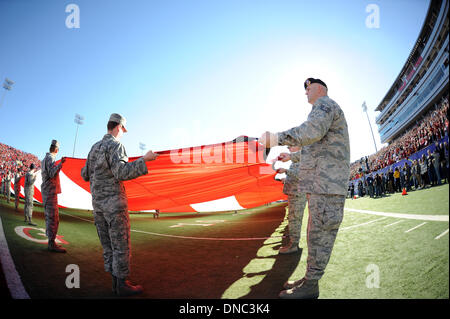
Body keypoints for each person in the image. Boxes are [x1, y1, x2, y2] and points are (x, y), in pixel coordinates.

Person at [259, 77, 350, 299]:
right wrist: (291, 155)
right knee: (315, 234)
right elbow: (312, 147)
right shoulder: (324, 108)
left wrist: (277, 137)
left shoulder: (325, 105)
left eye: (308, 88)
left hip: (327, 185)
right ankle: (310, 279)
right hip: (322, 184)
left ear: (320, 88)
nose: (306, 92)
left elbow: (311, 132)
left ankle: (311, 285)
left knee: (320, 234)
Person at [81, 113, 159, 297]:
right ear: (118, 127)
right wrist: (144, 160)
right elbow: (122, 172)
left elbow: (85, 175)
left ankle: (115, 284)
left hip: (98, 207)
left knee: (108, 246)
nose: (123, 133)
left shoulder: (94, 148)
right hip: (114, 206)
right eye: (123, 129)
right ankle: (122, 285)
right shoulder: (116, 145)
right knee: (121, 245)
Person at [276, 146, 306, 254]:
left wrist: (286, 171)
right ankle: (293, 243)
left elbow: (301, 175)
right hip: (294, 194)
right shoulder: (297, 159)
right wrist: (286, 178)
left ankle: (293, 245)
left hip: (297, 195)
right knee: (293, 220)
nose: (288, 148)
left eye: (290, 146)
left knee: (295, 220)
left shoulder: (302, 157)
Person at [41, 139, 66, 253]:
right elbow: (52, 173)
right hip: (50, 192)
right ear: (57, 149)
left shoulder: (45, 159)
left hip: (48, 191)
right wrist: (61, 163)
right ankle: (51, 243)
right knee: (53, 218)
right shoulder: (50, 158)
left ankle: (51, 242)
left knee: (50, 217)